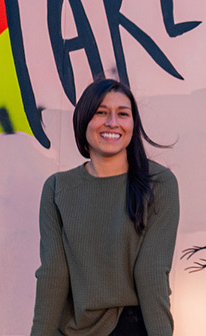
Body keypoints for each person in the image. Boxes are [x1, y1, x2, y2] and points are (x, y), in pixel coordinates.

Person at [32, 78, 180, 336]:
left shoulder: (159, 184)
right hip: (71, 330)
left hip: (129, 326)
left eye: (123, 114)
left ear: (133, 124)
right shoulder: (57, 189)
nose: (113, 122)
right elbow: (53, 275)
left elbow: (151, 272)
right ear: (83, 121)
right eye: (101, 113)